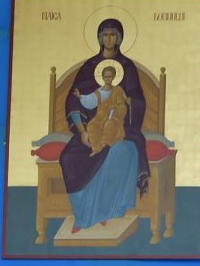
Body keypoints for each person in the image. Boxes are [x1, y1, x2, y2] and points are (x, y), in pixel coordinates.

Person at [61, 19, 150, 232]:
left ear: (119, 38)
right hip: (91, 127)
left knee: (119, 152)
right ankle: (82, 216)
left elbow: (137, 98)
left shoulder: (127, 67)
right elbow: (75, 100)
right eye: (105, 35)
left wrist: (129, 103)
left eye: (113, 35)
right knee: (68, 157)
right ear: (99, 38)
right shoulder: (89, 67)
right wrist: (82, 131)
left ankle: (103, 213)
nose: (109, 39)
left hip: (120, 127)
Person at [75, 62, 129, 157]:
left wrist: (116, 107)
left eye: (110, 76)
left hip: (114, 118)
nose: (108, 79)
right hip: (100, 118)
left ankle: (105, 146)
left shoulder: (117, 91)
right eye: (105, 77)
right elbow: (90, 100)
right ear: (103, 77)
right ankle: (96, 149)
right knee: (91, 125)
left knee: (109, 124)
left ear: (113, 77)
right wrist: (80, 97)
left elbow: (123, 107)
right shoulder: (99, 91)